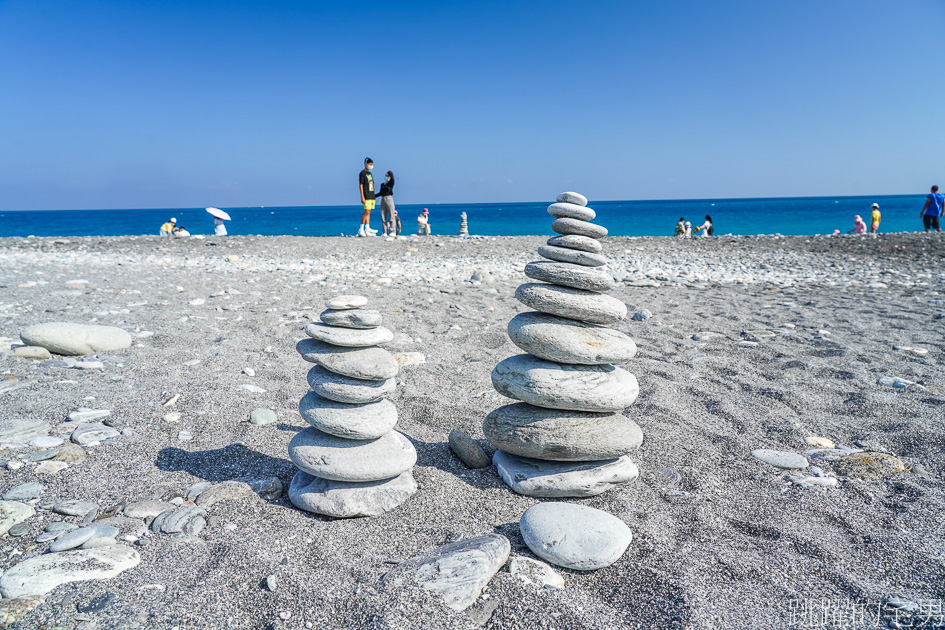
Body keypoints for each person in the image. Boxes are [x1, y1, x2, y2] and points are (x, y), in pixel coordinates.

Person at [358, 157, 377, 237]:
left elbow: (372, 185)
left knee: (369, 212)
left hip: (371, 195)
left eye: (372, 164)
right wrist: (362, 196)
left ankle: (367, 228)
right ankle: (361, 228)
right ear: (366, 164)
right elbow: (361, 185)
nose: (371, 166)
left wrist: (374, 196)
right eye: (370, 164)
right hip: (366, 195)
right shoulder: (362, 173)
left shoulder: (370, 174)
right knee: (366, 212)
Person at [376, 171, 396, 235]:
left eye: (387, 176)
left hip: (389, 198)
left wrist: (390, 178)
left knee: (391, 215)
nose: (386, 177)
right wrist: (373, 196)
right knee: (383, 215)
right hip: (383, 199)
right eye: (385, 175)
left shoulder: (391, 183)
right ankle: (384, 231)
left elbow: (392, 182)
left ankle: (393, 231)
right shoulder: (382, 184)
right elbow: (380, 193)